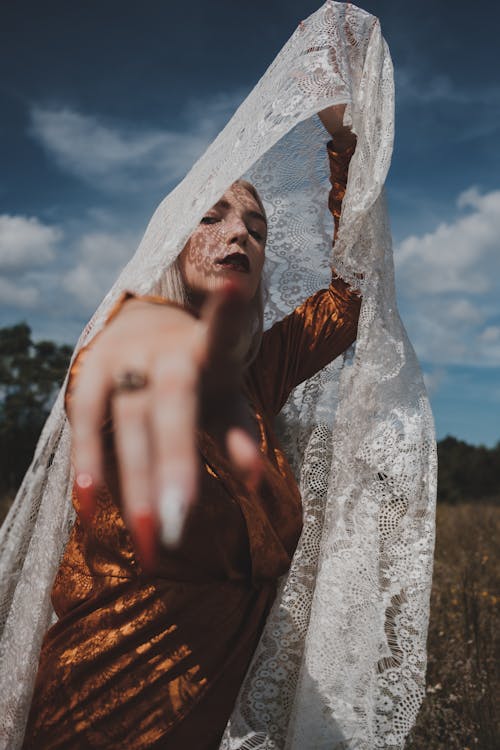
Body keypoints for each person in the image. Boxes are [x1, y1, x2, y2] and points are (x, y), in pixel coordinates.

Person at [21, 107, 361, 749]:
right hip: (101, 711)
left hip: (207, 718)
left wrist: (343, 144)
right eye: (211, 217)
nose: (238, 234)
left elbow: (350, 296)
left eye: (256, 230)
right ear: (172, 241)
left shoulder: (258, 377)